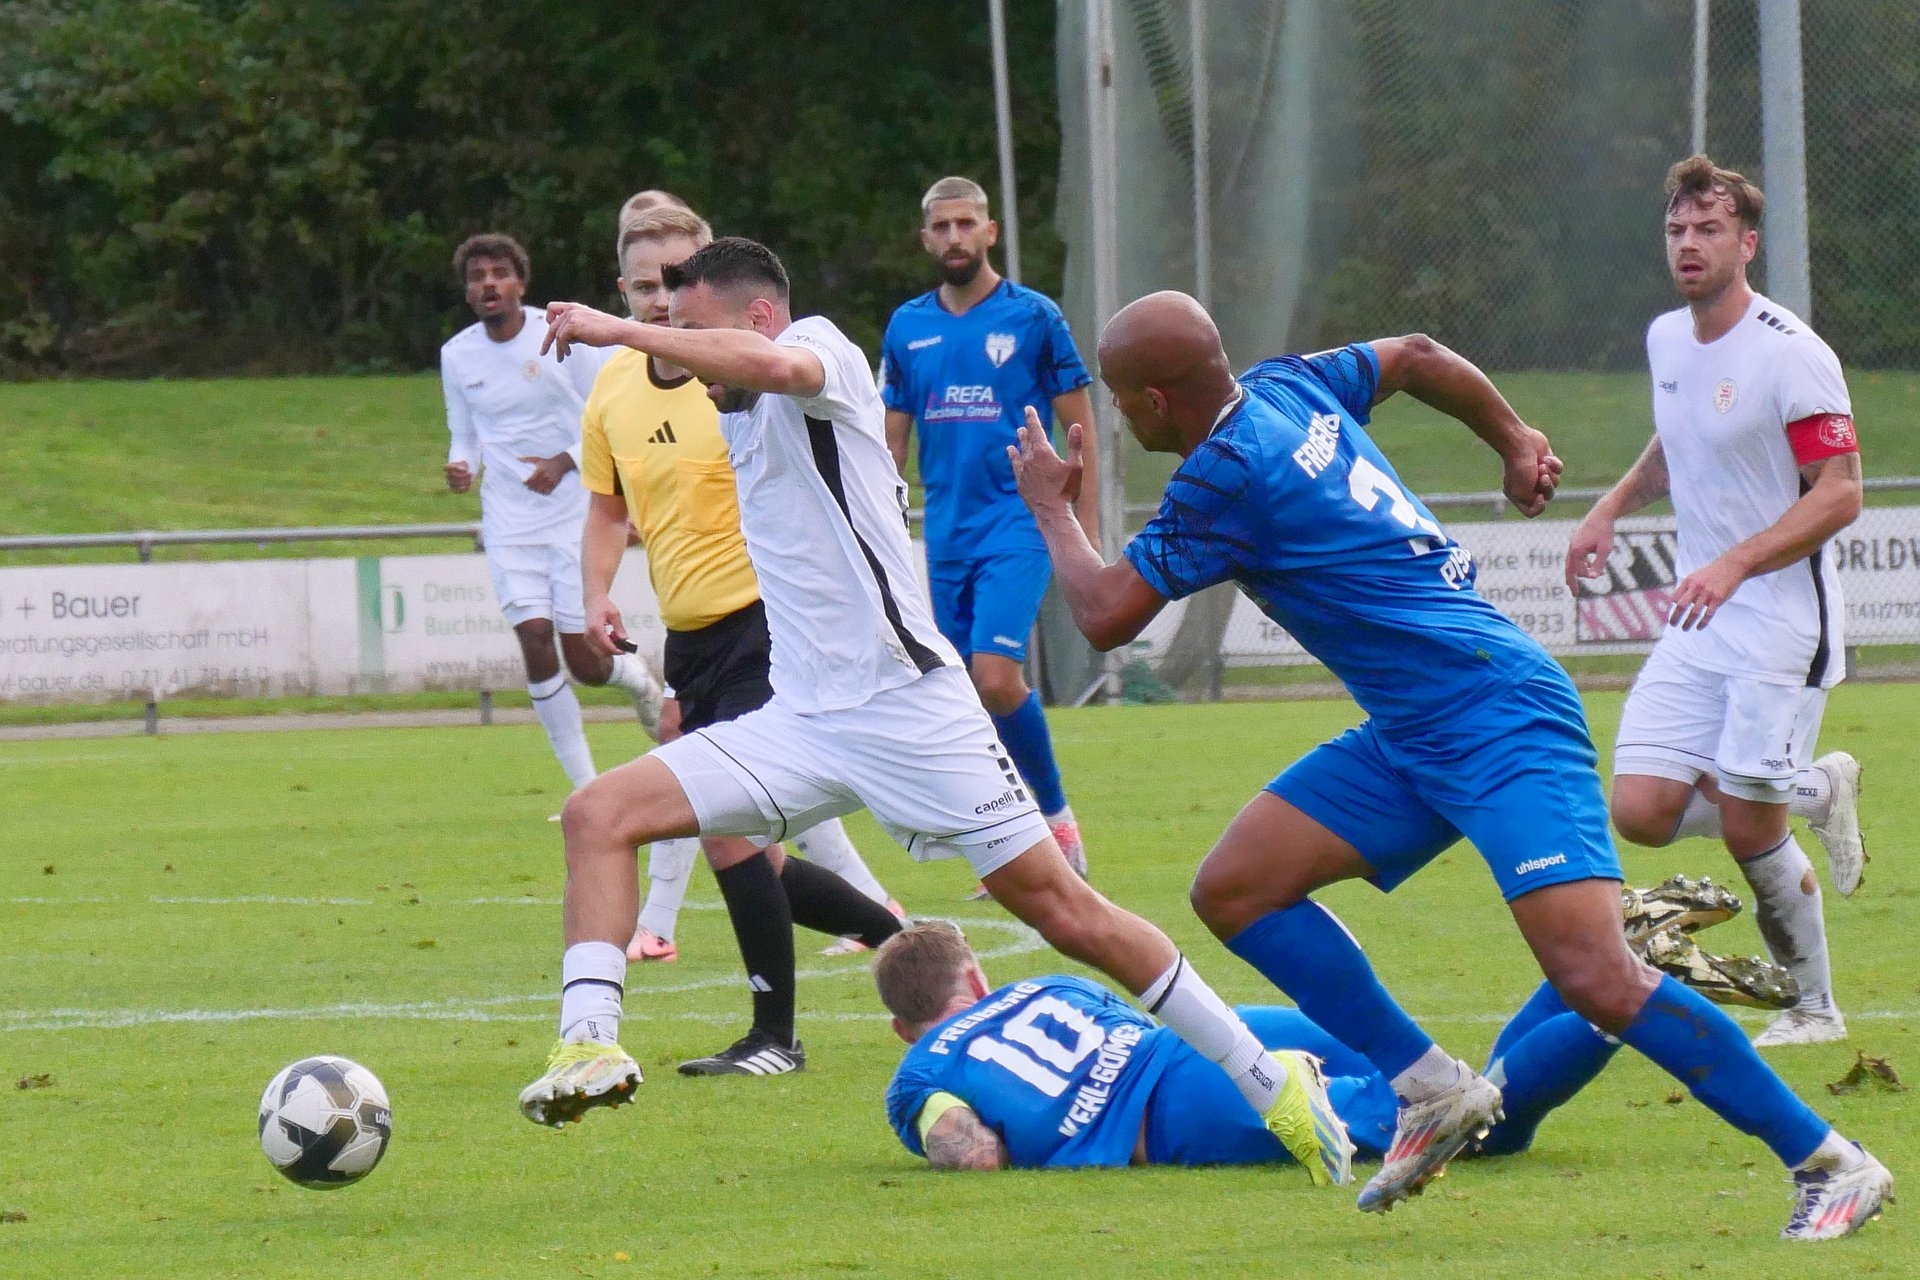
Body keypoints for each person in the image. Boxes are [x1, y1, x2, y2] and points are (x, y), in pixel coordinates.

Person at [1007, 290, 1890, 1239]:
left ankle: (1832, 1163)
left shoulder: (1222, 475)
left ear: (1154, 401)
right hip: (1415, 728)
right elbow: (1417, 353)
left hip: (1496, 713)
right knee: (1236, 889)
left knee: (1597, 976)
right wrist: (1513, 439)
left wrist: (1054, 510)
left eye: (1120, 397)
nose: (1116, 415)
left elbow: (1106, 615)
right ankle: (1432, 1088)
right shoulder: (1286, 387)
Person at [518, 238, 1351, 1190]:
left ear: (758, 318)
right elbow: (698, 390)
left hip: (912, 711)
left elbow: (771, 365)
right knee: (597, 814)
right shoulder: (732, 405)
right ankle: (589, 1047)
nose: (690, 357)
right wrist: (647, 351)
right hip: (800, 720)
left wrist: (621, 328)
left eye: (697, 328)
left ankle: (1269, 1080)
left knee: (1063, 912)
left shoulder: (820, 353)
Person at [577, 203, 904, 1077]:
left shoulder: (745, 378)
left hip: (767, 624)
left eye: (677, 280)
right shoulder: (613, 390)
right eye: (644, 286)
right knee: (747, 845)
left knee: (727, 830)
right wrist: (596, 591)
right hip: (690, 637)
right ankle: (900, 939)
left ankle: (775, 1037)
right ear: (622, 289)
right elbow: (608, 507)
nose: (661, 299)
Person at [1566, 155, 1867, 1048]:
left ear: (1748, 243)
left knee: (1748, 828)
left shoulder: (1792, 353)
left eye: (1709, 229)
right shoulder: (1667, 339)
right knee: (1640, 810)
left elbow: (1841, 492)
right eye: (1677, 230)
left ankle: (1814, 1007)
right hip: (1699, 621)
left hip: (1780, 623)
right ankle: (1815, 789)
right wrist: (1609, 507)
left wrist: (1735, 564)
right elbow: (1676, 441)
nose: (1689, 244)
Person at [877, 891, 1803, 1174]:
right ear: (976, 978)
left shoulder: (919, 1072)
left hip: (1189, 1103)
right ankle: (1604, 960)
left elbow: (972, 1154)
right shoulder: (1042, 983)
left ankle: (1616, 997)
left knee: (1476, 1132)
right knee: (1447, 1092)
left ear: (901, 1026)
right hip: (1230, 1035)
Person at [880, 177, 1099, 890]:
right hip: (946, 530)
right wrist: (875, 529)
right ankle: (1013, 837)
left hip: (1020, 519)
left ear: (990, 232)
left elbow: (1079, 430)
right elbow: (890, 443)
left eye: (966, 223)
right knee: (966, 695)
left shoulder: (1034, 317)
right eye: (941, 226)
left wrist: (1085, 533)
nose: (955, 237)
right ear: (926, 238)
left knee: (995, 675)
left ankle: (1057, 821)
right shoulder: (907, 327)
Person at [439, 233, 662, 794]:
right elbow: (465, 435)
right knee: (534, 637)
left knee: (585, 663)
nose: (489, 284)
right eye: (477, 277)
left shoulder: (559, 335)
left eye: (499, 273)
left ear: (520, 281)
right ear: (467, 292)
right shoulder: (457, 355)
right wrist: (461, 465)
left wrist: (564, 462)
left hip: (573, 516)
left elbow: (605, 414)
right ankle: (585, 789)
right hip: (509, 522)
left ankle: (636, 679)